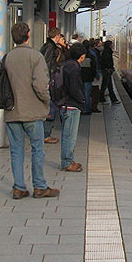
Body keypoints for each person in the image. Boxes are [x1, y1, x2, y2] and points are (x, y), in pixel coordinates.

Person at [4, 22, 60, 199]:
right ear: (28, 36)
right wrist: (46, 101)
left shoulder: (7, 58)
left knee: (16, 151)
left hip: (12, 112)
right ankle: (39, 186)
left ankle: (19, 187)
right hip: (33, 112)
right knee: (37, 149)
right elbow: (40, 85)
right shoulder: (36, 57)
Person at [59, 42, 86, 172]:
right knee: (70, 135)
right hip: (71, 106)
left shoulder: (65, 64)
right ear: (81, 56)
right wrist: (82, 100)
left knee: (66, 134)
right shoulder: (74, 68)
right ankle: (67, 162)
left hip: (63, 104)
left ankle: (68, 159)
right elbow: (74, 88)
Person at [40, 27, 66, 144]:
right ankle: (46, 134)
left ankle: (45, 133)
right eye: (60, 36)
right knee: (51, 108)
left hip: (49, 80)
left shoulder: (47, 46)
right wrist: (50, 78)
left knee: (51, 107)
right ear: (57, 36)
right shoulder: (51, 47)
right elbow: (46, 64)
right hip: (50, 81)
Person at [80, 40, 99, 115]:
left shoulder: (80, 55)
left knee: (81, 93)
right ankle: (86, 109)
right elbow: (94, 66)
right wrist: (95, 75)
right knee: (87, 93)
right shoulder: (91, 55)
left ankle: (81, 108)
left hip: (80, 76)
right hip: (88, 77)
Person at [99, 39, 120, 105]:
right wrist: (110, 68)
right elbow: (107, 61)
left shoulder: (105, 51)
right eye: (111, 44)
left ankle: (111, 99)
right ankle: (109, 99)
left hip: (106, 70)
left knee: (107, 85)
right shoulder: (107, 52)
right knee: (106, 85)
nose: (112, 45)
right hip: (107, 70)